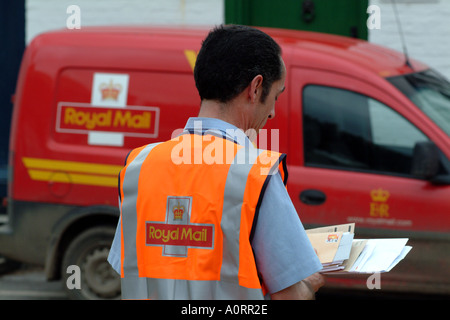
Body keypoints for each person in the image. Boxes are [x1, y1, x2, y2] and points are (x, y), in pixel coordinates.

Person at [108, 24, 325, 300]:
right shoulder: (255, 175)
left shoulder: (139, 166)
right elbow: (290, 296)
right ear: (256, 88)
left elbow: (126, 267)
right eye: (276, 97)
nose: (271, 113)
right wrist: (309, 282)